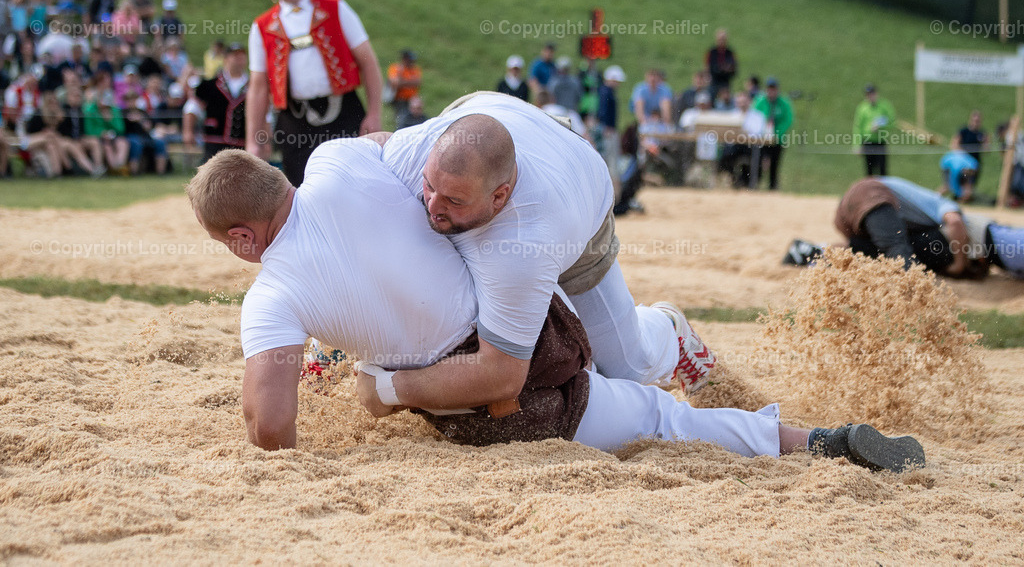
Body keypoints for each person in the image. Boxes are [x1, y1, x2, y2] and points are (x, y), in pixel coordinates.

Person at [187, 146, 924, 474]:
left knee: (661, 421)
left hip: (495, 384)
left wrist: (343, 388)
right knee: (640, 384)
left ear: (245, 238)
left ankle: (816, 441)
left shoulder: (272, 294)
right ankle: (681, 346)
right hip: (529, 299)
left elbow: (272, 423)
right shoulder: (340, 160)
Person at [381, 90, 705, 391]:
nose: (432, 206)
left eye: (453, 200)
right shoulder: (408, 154)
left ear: (499, 197)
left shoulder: (531, 239)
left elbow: (503, 372)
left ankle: (666, 327)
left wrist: (390, 391)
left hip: (578, 188)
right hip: (491, 115)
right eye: (430, 188)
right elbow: (354, 161)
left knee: (625, 368)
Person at [246, 0, 383, 187]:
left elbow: (368, 63)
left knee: (357, 182)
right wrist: (254, 140)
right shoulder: (261, 27)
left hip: (344, 113)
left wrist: (374, 113)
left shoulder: (337, 9)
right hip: (294, 122)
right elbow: (258, 88)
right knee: (303, 188)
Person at [785, 176, 975, 279]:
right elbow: (955, 223)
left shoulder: (922, 204)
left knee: (865, 252)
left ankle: (812, 252)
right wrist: (959, 264)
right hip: (871, 195)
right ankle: (914, 298)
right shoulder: (945, 205)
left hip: (852, 205)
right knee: (896, 247)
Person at [184, 42, 249, 160]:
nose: (239, 59)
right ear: (226, 59)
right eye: (234, 56)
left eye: (242, 56)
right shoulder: (209, 85)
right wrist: (188, 131)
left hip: (242, 143)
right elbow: (192, 107)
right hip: (214, 142)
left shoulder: (252, 86)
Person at [752, 77, 793, 190]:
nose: (771, 91)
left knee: (774, 165)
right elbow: (754, 118)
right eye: (769, 89)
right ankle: (755, 185)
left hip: (777, 140)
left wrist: (776, 134)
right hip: (761, 139)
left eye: (773, 89)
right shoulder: (760, 102)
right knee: (759, 162)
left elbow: (787, 120)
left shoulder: (783, 103)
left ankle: (773, 187)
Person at [596, 65, 626, 199]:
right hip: (608, 129)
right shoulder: (606, 92)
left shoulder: (605, 91)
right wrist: (607, 126)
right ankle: (614, 194)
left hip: (607, 128)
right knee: (610, 160)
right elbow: (604, 111)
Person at [853, 84, 895, 176]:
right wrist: (857, 144)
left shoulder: (885, 105)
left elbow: (892, 122)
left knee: (882, 170)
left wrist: (881, 127)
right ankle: (870, 190)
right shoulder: (862, 108)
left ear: (876, 93)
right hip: (867, 142)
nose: (870, 96)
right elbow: (857, 127)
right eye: (868, 94)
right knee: (869, 171)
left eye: (872, 94)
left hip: (880, 141)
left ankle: (883, 190)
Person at [386, 49, 421, 128]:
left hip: (411, 99)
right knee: (401, 119)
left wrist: (403, 82)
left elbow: (418, 82)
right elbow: (395, 83)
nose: (412, 62)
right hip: (399, 99)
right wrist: (410, 82)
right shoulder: (396, 68)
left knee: (414, 118)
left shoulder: (415, 69)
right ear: (404, 59)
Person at [952, 110, 988, 180]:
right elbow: (954, 145)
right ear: (970, 120)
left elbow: (987, 150)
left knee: (969, 186)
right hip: (962, 163)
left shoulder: (982, 134)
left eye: (978, 121)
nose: (976, 123)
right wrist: (964, 155)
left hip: (975, 164)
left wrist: (985, 142)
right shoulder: (963, 131)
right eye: (974, 120)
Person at [705, 29, 737, 101]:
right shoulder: (712, 52)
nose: (721, 41)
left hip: (725, 82)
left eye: (723, 39)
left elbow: (733, 68)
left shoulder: (730, 53)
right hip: (714, 82)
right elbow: (708, 67)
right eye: (720, 39)